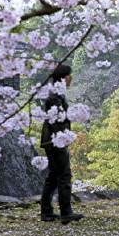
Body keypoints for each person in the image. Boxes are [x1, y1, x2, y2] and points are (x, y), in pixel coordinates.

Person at [39, 64, 83, 223]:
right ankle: (65, 211)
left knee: (53, 175)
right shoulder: (54, 97)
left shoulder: (57, 94)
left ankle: (47, 212)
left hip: (52, 140)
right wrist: (64, 138)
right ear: (63, 77)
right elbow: (56, 122)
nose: (71, 78)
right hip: (55, 141)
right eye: (69, 75)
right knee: (64, 174)